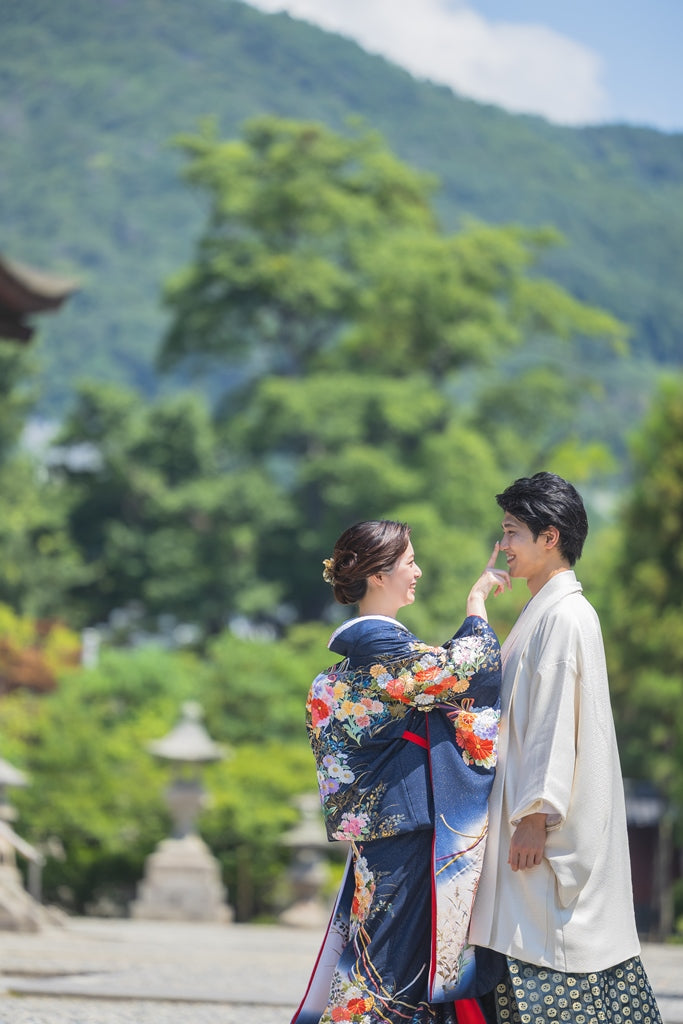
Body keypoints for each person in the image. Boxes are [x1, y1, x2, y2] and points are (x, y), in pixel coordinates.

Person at [291, 519, 510, 1024]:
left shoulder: (376, 653)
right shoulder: (379, 648)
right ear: (377, 575)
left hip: (390, 830)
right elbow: (466, 670)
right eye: (409, 562)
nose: (417, 571)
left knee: (394, 969)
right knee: (384, 976)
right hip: (404, 832)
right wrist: (476, 607)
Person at [469, 472, 663, 1024]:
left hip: (538, 831)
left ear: (548, 537)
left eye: (511, 532)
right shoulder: (547, 612)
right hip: (528, 823)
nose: (502, 546)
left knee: (545, 964)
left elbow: (557, 724)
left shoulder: (565, 615)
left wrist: (536, 814)